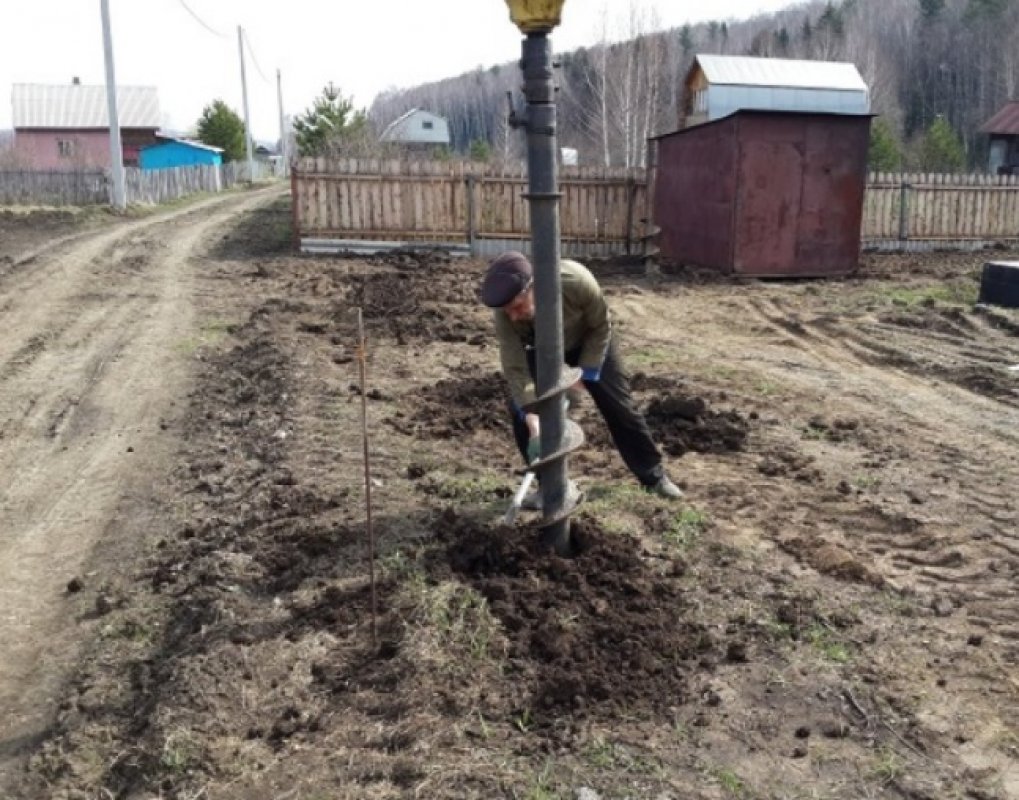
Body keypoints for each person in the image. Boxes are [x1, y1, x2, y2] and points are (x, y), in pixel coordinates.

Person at [480, 250, 683, 503]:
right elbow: (515, 367)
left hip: (589, 340)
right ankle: (548, 487)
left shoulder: (575, 281)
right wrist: (533, 418)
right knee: (521, 411)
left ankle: (654, 477)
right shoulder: (504, 311)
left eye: (518, 307)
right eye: (507, 311)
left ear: (534, 287)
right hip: (540, 348)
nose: (513, 315)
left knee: (619, 407)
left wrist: (586, 372)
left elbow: (601, 325)